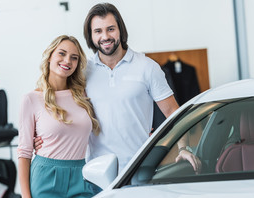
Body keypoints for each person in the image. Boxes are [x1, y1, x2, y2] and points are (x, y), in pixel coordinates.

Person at [35, 3, 201, 174]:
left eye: (111, 29)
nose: (105, 36)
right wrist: (40, 137)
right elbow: (56, 102)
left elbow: (173, 113)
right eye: (98, 31)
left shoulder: (147, 67)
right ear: (90, 36)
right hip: (95, 172)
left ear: (120, 30)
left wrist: (184, 149)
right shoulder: (83, 71)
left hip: (139, 169)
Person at [17, 35, 100, 198]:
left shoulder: (83, 95)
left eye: (74, 57)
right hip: (45, 178)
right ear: (49, 57)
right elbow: (24, 152)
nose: (67, 61)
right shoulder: (31, 99)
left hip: (81, 175)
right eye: (62, 54)